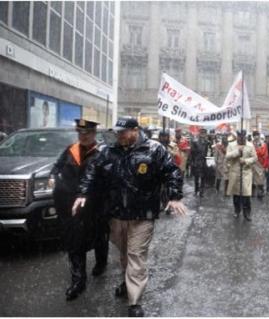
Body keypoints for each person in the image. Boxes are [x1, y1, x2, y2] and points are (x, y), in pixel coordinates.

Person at [72, 117, 187, 317]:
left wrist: (175, 195)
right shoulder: (108, 151)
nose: (119, 136)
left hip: (143, 215)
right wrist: (83, 194)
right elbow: (92, 172)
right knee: (125, 253)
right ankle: (127, 282)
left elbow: (171, 172)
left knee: (136, 254)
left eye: (123, 132)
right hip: (116, 215)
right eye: (117, 133)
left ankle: (134, 302)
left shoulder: (154, 149)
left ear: (135, 130)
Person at [50, 119, 109, 301]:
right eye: (80, 134)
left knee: (99, 236)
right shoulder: (70, 150)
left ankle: (101, 263)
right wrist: (52, 176)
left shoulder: (102, 152)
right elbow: (57, 166)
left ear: (94, 134)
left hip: (94, 205)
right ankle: (78, 281)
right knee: (74, 242)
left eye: (87, 134)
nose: (83, 137)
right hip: (71, 204)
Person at [226, 130, 258, 221]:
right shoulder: (231, 145)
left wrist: (246, 161)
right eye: (240, 136)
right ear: (237, 136)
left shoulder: (250, 145)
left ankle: (247, 213)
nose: (241, 138)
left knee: (246, 195)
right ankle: (237, 210)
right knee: (236, 195)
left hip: (246, 173)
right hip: (235, 173)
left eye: (243, 136)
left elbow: (255, 158)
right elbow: (227, 156)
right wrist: (237, 152)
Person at [190, 128, 210, 197]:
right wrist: (192, 162)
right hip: (197, 162)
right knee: (196, 178)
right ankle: (196, 190)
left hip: (204, 162)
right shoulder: (195, 142)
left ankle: (201, 192)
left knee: (203, 178)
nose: (203, 134)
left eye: (204, 133)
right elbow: (191, 153)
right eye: (202, 133)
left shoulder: (207, 142)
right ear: (199, 133)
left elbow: (208, 152)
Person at [252, 130, 269, 199]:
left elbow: (265, 155)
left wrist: (266, 166)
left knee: (260, 179)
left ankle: (260, 192)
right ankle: (252, 192)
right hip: (252, 163)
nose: (256, 137)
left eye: (257, 135)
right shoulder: (251, 143)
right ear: (253, 136)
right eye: (255, 135)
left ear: (259, 136)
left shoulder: (263, 144)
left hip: (260, 164)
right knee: (252, 179)